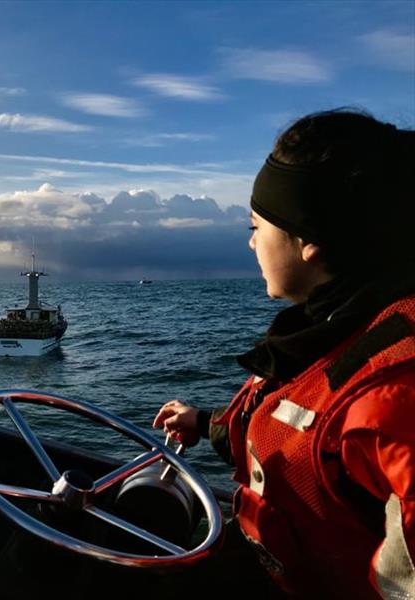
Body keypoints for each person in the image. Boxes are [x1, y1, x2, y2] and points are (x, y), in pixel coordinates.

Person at [153, 109, 415, 599]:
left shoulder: (395, 393)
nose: (252, 243)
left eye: (257, 226)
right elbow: (307, 431)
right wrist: (207, 423)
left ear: (310, 240)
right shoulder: (337, 328)